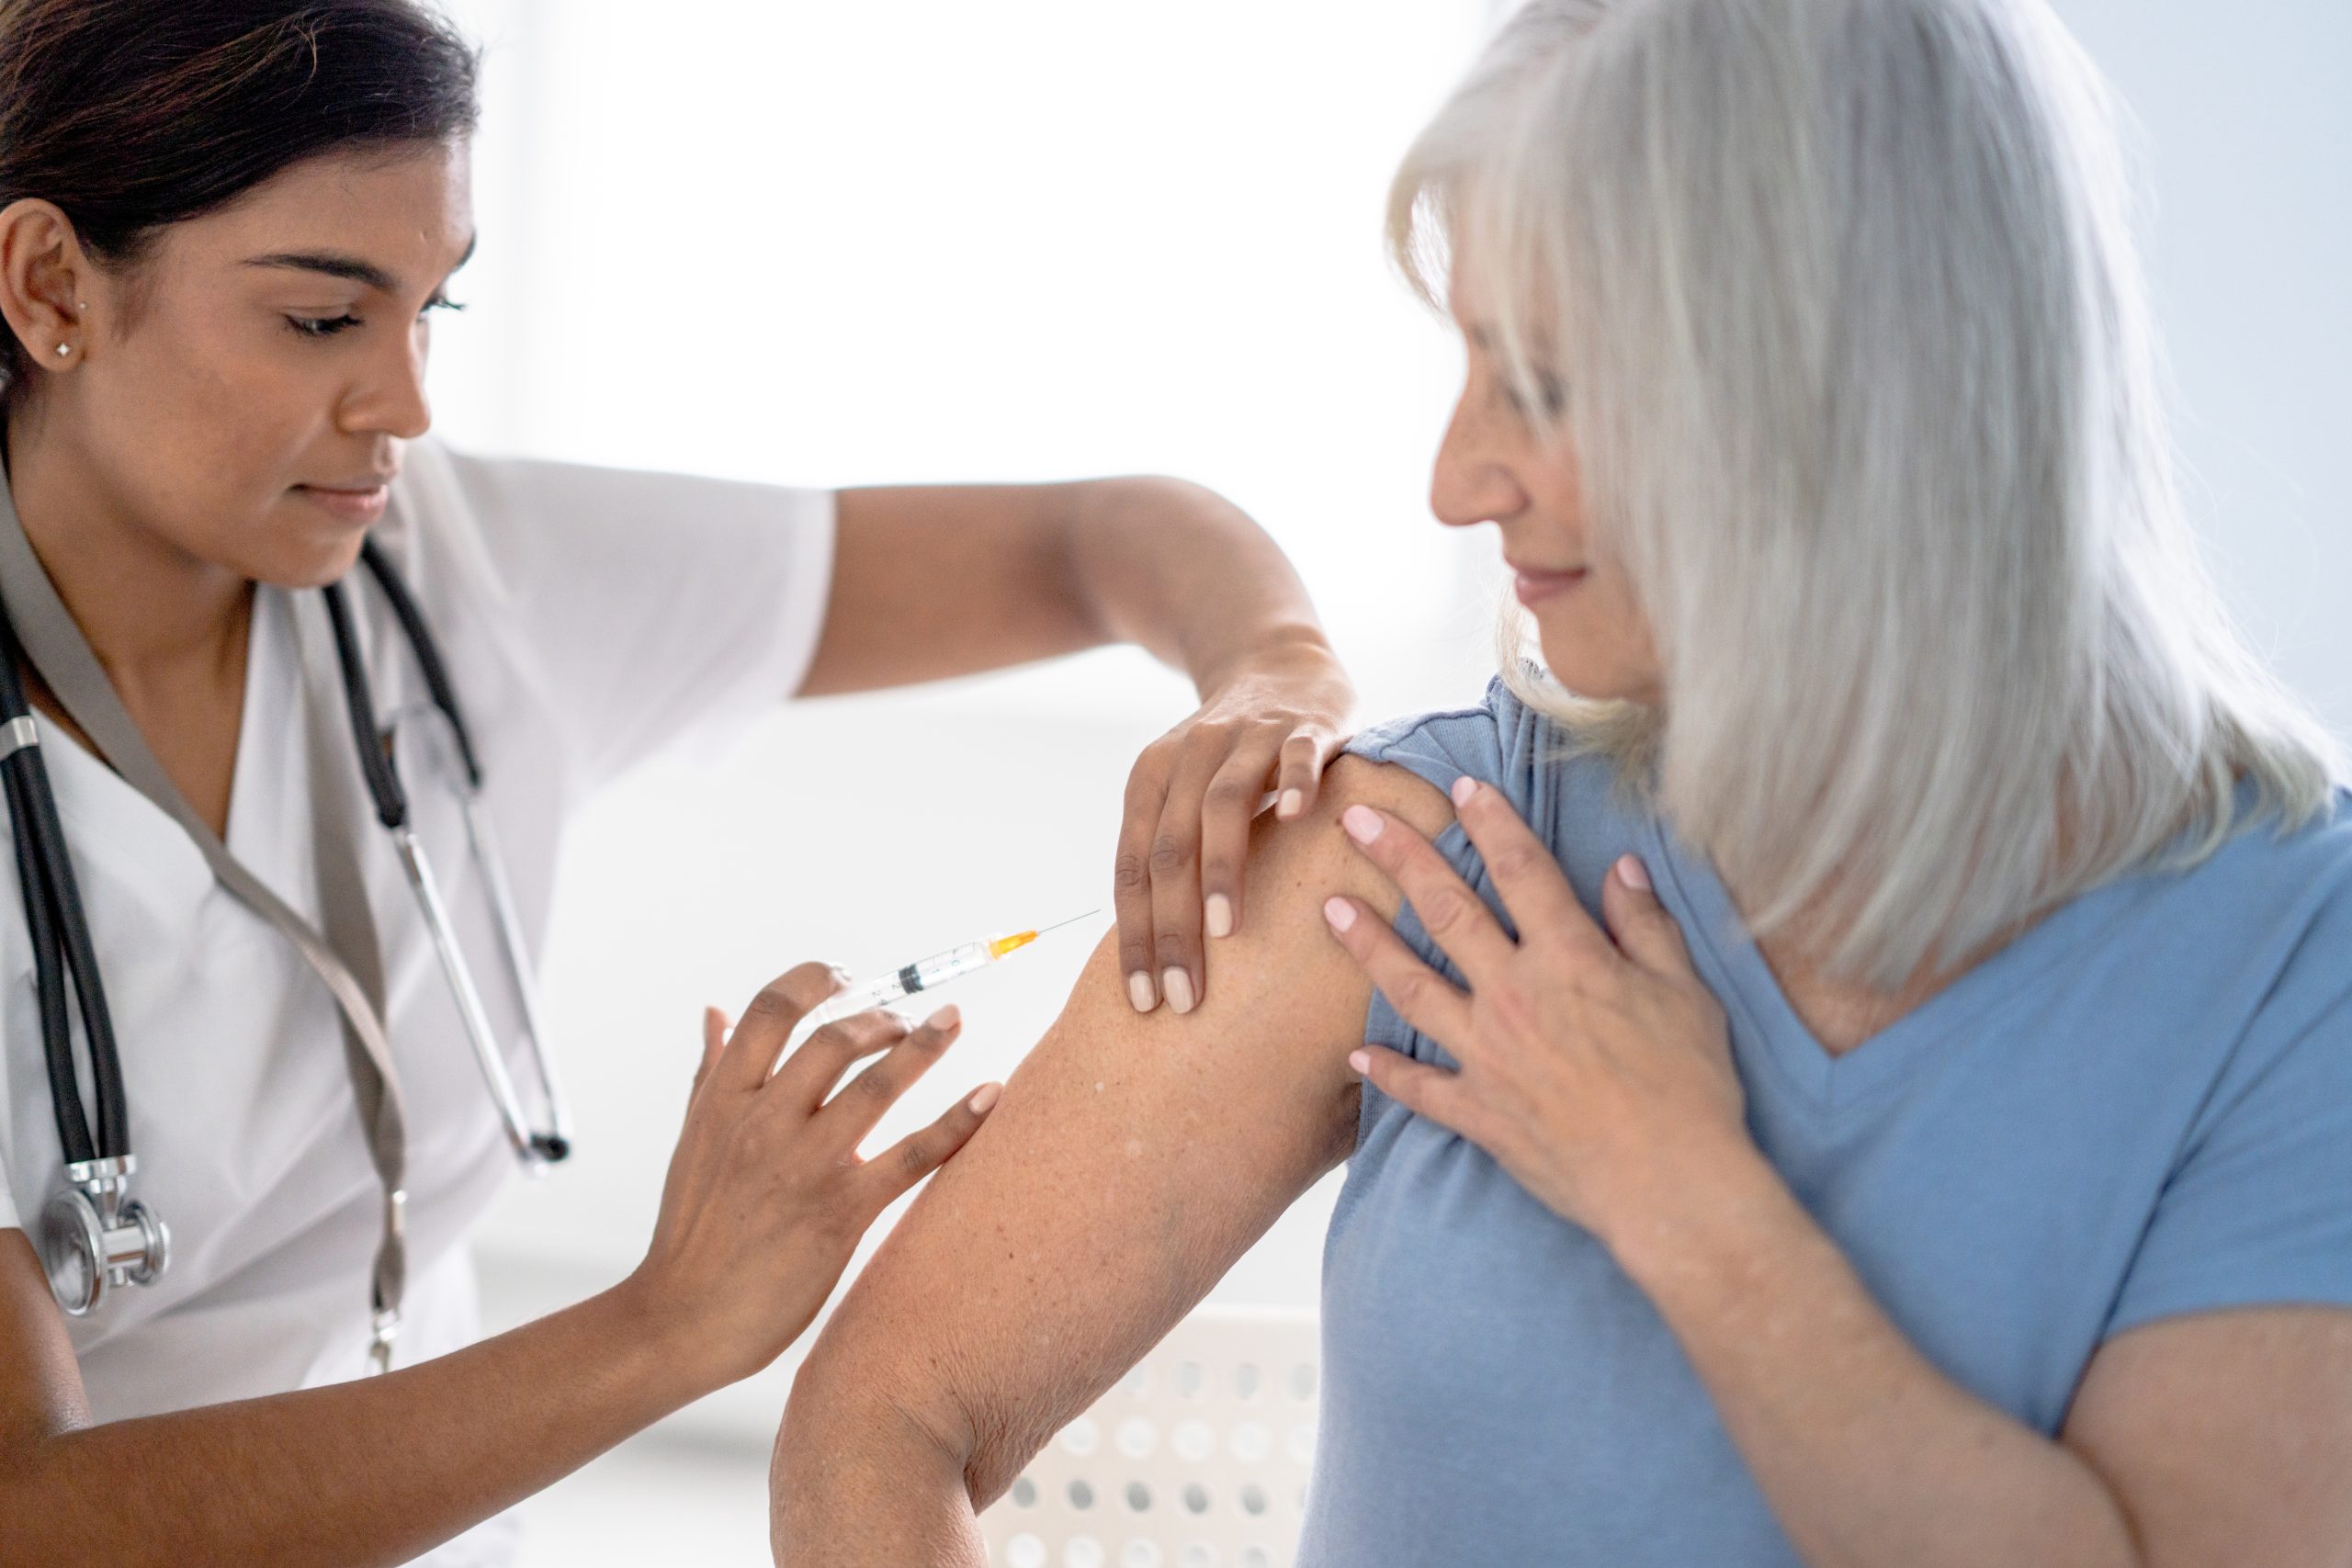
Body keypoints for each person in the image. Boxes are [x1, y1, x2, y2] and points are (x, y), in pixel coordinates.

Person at [771, 1, 2352, 1563]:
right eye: (1468, 366)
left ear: (1851, 390)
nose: (1455, 484)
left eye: (1544, 385)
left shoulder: (2294, 959)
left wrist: (1680, 1195)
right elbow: (883, 1423)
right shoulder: (1419, 846)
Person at [0, 4, 1357, 1564]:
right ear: (50, 287)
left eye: (437, 306)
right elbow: (27, 1512)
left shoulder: (455, 570)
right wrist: (670, 1323)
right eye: (324, 321)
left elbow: (1105, 532)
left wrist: (1275, 668)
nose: (411, 405)